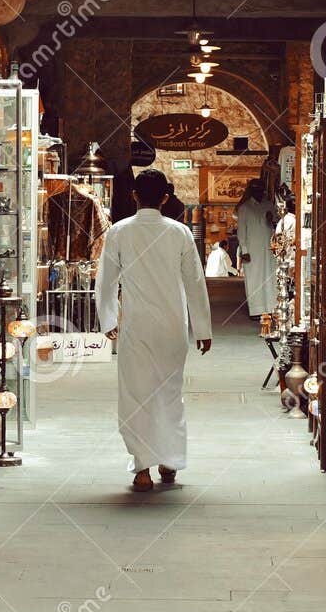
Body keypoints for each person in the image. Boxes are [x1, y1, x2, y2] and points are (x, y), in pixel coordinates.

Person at [95, 170, 213, 492]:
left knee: (136, 394)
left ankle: (142, 467)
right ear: (165, 198)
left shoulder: (119, 232)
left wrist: (108, 320)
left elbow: (105, 280)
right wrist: (203, 328)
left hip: (137, 327)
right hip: (174, 327)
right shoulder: (180, 233)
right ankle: (169, 460)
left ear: (134, 195)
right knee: (170, 393)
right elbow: (195, 282)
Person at [235, 178, 277, 319]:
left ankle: (271, 308)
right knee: (254, 278)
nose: (259, 191)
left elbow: (277, 223)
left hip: (269, 248)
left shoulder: (269, 205)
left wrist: (272, 219)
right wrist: (244, 251)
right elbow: (241, 232)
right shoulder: (244, 208)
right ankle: (256, 310)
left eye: (261, 188)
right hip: (252, 250)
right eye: (256, 189)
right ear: (251, 190)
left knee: (270, 277)